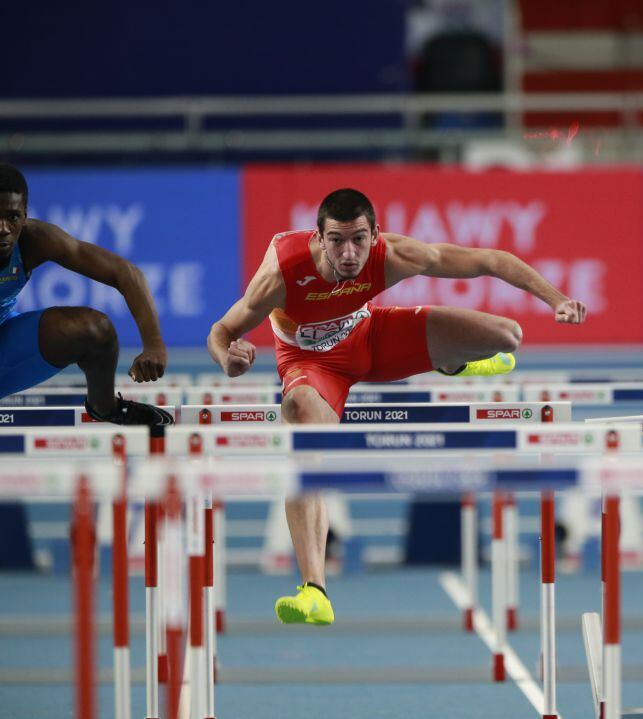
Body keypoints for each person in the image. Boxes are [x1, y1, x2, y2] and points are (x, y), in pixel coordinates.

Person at [207, 187, 586, 626]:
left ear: (375, 234)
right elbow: (222, 330)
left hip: (373, 340)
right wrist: (228, 359)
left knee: (507, 336)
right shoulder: (284, 272)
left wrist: (557, 299)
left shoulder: (394, 255)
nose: (349, 253)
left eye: (359, 240)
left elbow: (492, 260)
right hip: (313, 367)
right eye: (336, 241)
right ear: (319, 237)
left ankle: (450, 362)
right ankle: (314, 589)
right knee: (302, 427)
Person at [0, 164, 171, 424]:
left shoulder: (34, 239)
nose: (3, 228)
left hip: (6, 342)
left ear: (25, 215)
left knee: (95, 330)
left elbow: (125, 272)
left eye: (12, 217)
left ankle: (105, 407)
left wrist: (154, 344)